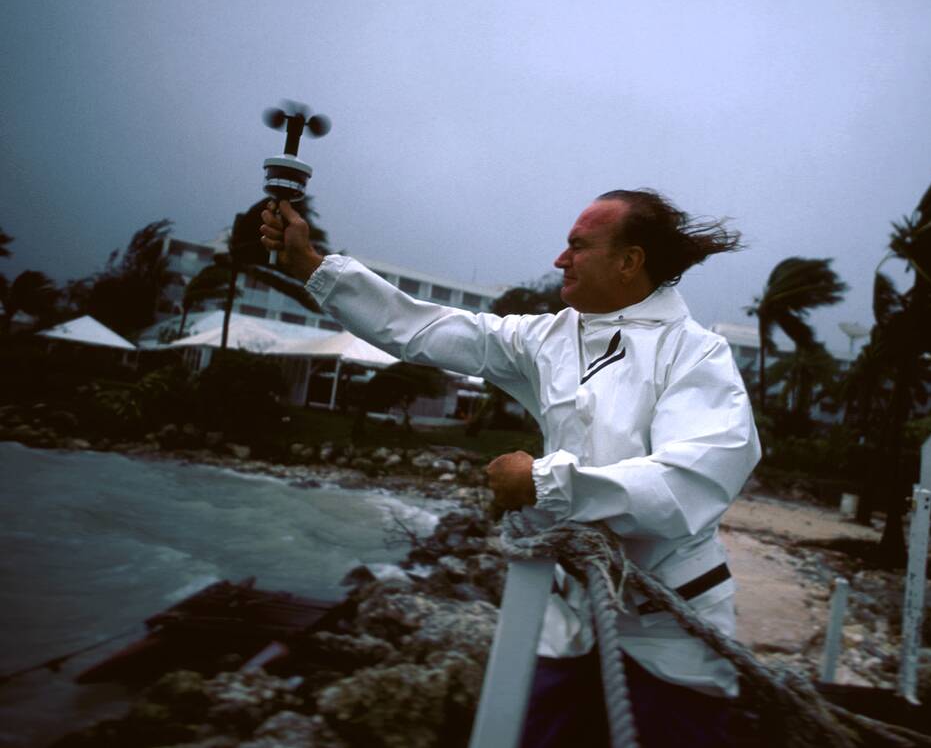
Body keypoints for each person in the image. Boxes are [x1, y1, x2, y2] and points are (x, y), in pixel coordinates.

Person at [260, 189, 761, 747]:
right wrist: (312, 266)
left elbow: (689, 483)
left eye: (577, 246)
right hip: (568, 605)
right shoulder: (548, 338)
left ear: (629, 261)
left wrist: (542, 482)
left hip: (671, 616)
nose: (559, 260)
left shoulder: (696, 354)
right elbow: (427, 329)